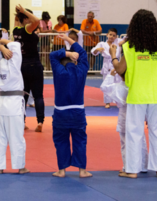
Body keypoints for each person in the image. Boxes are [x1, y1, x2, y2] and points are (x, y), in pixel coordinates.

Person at [111, 9, 157, 179]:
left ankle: (132, 170)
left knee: (134, 132)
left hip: (137, 94)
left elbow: (120, 69)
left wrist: (113, 56)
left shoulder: (130, 47)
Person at [50, 34, 92, 178]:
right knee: (80, 140)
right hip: (78, 112)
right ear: (75, 61)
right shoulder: (81, 71)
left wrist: (67, 52)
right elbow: (83, 54)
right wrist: (70, 41)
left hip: (60, 113)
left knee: (61, 141)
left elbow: (52, 55)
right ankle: (82, 171)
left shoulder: (58, 70)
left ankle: (61, 170)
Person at [0, 38, 29, 174]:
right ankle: (20, 166)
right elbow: (16, 44)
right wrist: (3, 42)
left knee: (0, 136)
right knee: (17, 136)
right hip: (14, 103)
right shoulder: (13, 63)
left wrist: (0, 47)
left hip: (1, 103)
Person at [100, 69, 148, 174]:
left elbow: (103, 87)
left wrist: (111, 76)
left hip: (124, 116)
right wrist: (147, 118)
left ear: (120, 76)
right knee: (141, 141)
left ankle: (128, 167)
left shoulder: (117, 87)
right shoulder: (138, 87)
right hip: (137, 115)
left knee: (125, 143)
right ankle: (143, 166)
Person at [13, 5, 45, 132]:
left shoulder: (15, 30)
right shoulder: (27, 29)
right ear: (25, 19)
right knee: (38, 96)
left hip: (22, 67)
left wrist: (19, 13)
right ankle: (40, 122)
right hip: (34, 65)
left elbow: (18, 19)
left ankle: (22, 121)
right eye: (28, 18)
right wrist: (24, 11)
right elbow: (36, 21)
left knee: (23, 95)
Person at [91, 28, 124, 108]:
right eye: (110, 35)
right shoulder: (102, 44)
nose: (112, 37)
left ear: (116, 36)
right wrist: (97, 50)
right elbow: (93, 52)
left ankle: (118, 101)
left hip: (116, 64)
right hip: (107, 66)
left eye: (114, 35)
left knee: (118, 83)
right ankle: (107, 102)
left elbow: (125, 39)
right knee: (107, 84)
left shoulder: (118, 42)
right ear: (107, 35)